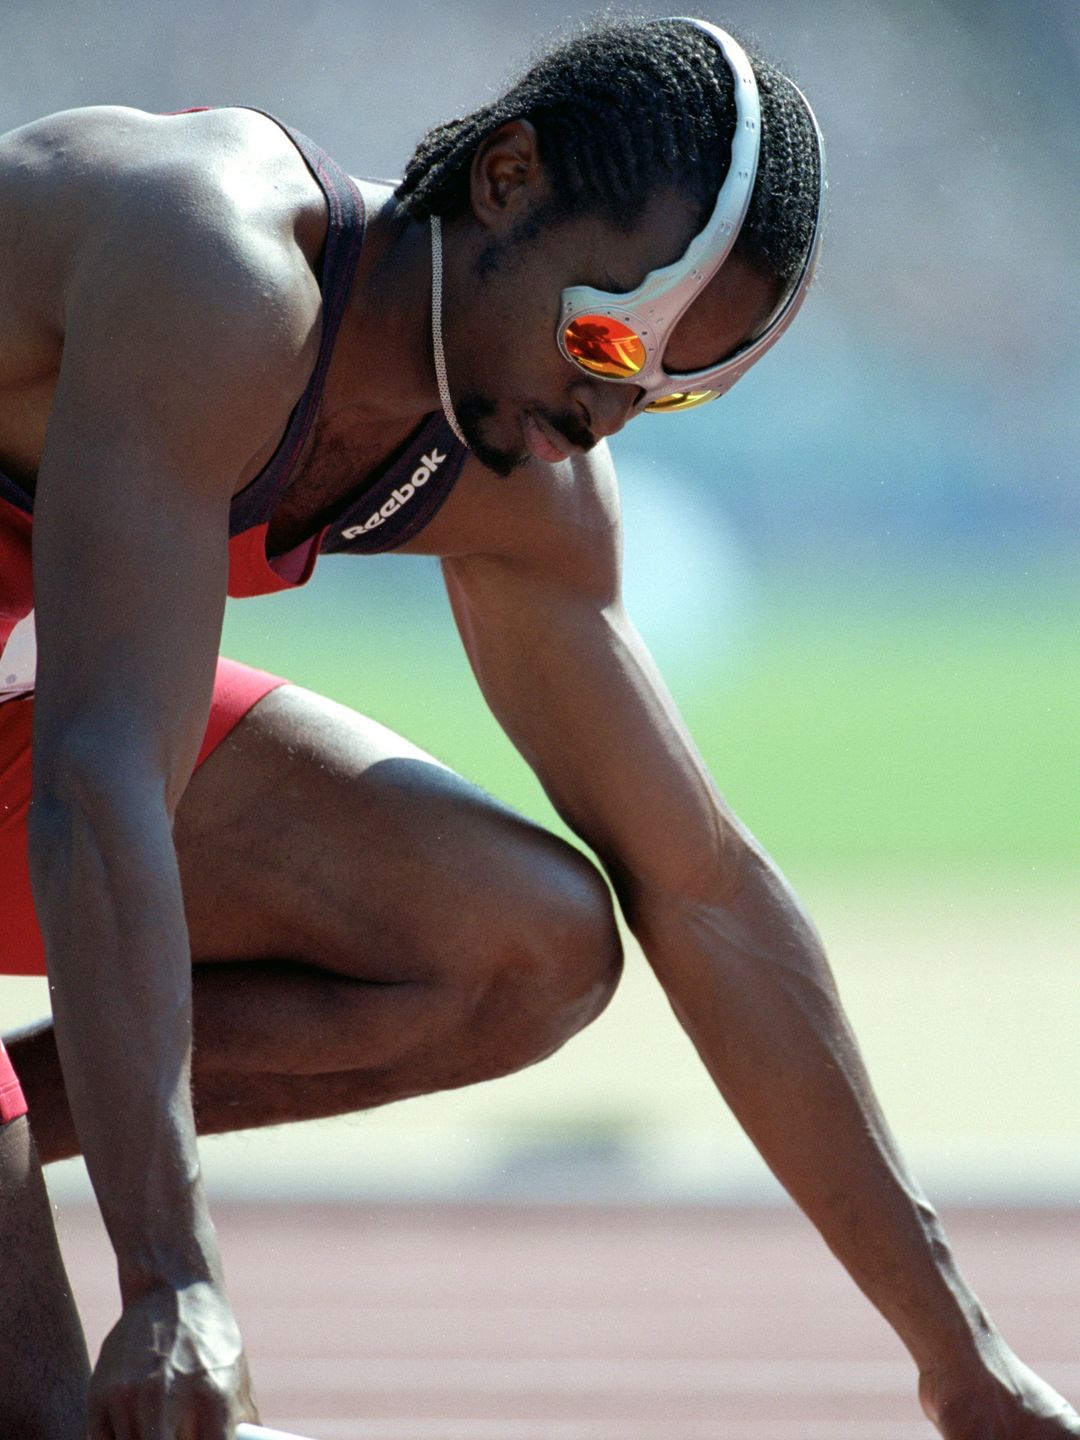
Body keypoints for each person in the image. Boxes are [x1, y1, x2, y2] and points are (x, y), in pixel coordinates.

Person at [0, 14, 1075, 1440]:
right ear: (506, 177)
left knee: (529, 943)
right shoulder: (213, 257)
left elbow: (699, 887)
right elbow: (98, 780)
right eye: (614, 333)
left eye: (677, 385)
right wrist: (173, 1280)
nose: (618, 404)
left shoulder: (526, 477)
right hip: (66, 744)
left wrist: (961, 1353)